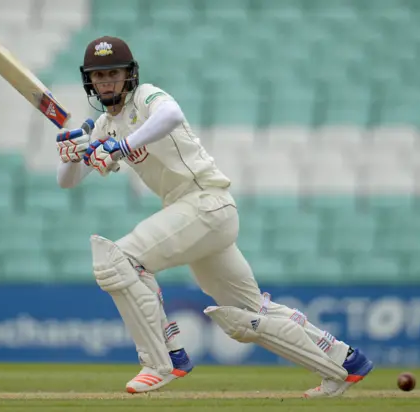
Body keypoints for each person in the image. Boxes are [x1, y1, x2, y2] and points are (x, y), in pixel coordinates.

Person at [55, 35, 373, 397]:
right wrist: (71, 155)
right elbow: (68, 182)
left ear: (130, 75)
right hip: (194, 218)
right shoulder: (103, 128)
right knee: (248, 316)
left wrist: (124, 145)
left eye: (114, 73)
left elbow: (172, 116)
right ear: (89, 82)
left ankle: (164, 359)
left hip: (206, 203)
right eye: (99, 76)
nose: (107, 81)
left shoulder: (146, 98)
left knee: (121, 260)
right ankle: (343, 362)